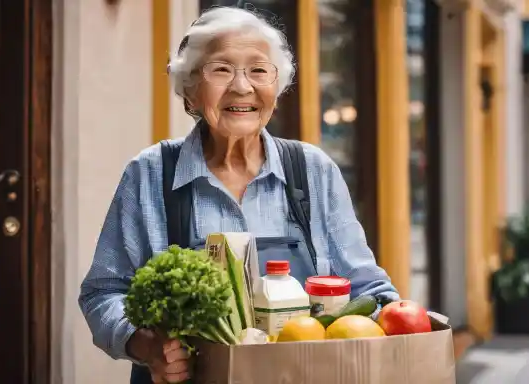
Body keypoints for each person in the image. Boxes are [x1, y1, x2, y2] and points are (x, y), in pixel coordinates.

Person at [78, 6, 400, 384]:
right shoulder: (150, 173)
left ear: (275, 91)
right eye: (221, 69)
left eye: (258, 70)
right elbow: (104, 293)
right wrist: (147, 346)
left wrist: (398, 325)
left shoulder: (313, 169)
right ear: (190, 92)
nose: (242, 87)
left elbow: (368, 289)